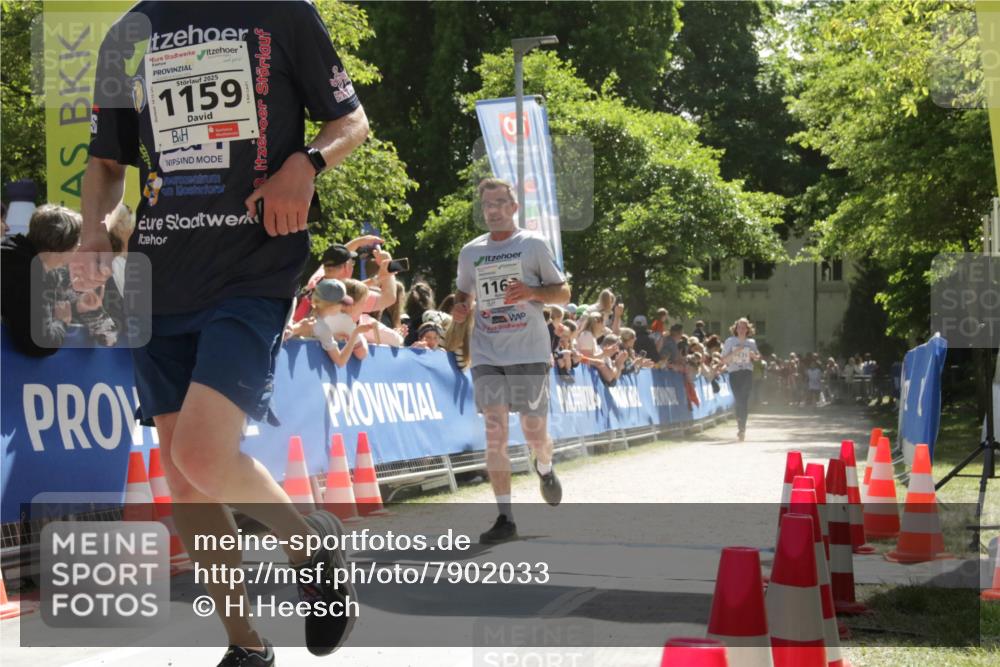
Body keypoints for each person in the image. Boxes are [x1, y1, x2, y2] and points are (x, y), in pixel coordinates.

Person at [80, 4, 369, 663]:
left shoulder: (284, 13)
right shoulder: (129, 32)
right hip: (158, 274)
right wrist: (93, 229)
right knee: (184, 479)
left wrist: (306, 163)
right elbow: (105, 162)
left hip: (251, 265)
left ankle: (310, 547)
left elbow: (351, 121)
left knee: (204, 455)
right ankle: (247, 646)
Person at [453, 178, 571, 544]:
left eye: (501, 203)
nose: (494, 210)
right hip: (487, 352)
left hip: (529, 351)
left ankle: (545, 466)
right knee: (495, 432)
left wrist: (533, 292)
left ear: (514, 207)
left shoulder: (532, 244)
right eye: (488, 205)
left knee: (534, 431)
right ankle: (505, 518)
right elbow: (463, 291)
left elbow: (563, 294)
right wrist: (459, 307)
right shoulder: (471, 251)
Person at [1, 204, 81, 357]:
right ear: (64, 246)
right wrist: (62, 321)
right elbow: (40, 344)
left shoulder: (14, 253)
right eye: (77, 244)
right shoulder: (28, 272)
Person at [721, 317, 761, 441]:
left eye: (744, 327)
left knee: (744, 399)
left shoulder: (751, 342)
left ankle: (742, 428)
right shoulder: (730, 341)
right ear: (735, 329)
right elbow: (724, 360)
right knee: (739, 400)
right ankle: (740, 425)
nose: (742, 329)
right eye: (739, 327)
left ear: (747, 329)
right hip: (734, 373)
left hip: (747, 372)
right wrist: (736, 352)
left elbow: (758, 357)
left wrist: (753, 355)